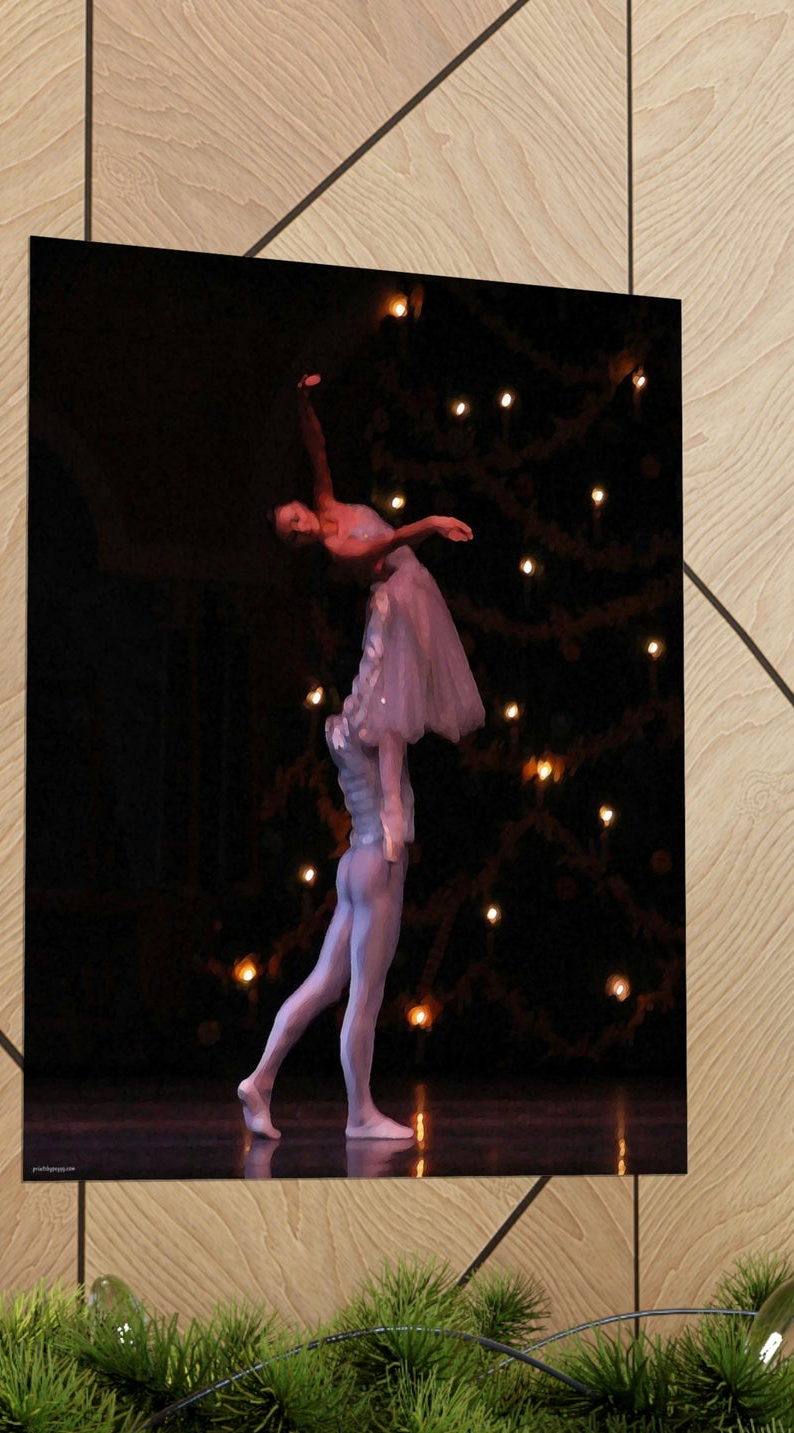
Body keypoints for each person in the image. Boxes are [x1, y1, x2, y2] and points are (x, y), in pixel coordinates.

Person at [238, 374, 484, 1141]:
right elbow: (383, 546)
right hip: (375, 864)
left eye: (296, 516)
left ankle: (258, 1079)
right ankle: (358, 1115)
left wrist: (304, 403)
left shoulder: (345, 722)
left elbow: (317, 452)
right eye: (293, 532)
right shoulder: (348, 550)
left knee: (321, 981)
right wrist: (403, 830)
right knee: (365, 996)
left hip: (354, 862)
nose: (303, 524)